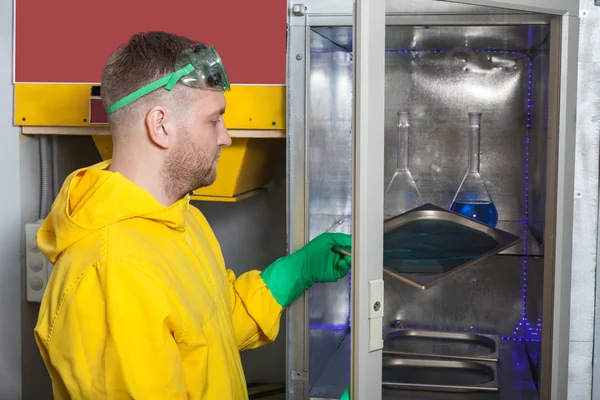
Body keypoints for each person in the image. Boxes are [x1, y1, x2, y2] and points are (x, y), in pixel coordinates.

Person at [34, 31, 352, 400]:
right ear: (161, 126)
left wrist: (294, 273)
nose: (226, 137)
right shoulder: (111, 273)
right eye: (213, 120)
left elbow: (209, 329)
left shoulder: (179, 218)